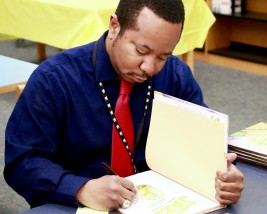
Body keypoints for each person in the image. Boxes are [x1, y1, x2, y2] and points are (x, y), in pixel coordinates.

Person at [4, 0, 244, 211]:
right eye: (141, 50)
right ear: (114, 26)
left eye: (163, 56)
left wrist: (222, 175)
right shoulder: (54, 80)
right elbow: (22, 162)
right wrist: (80, 189)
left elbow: (203, 141)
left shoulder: (175, 75)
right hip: (77, 204)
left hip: (162, 200)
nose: (150, 68)